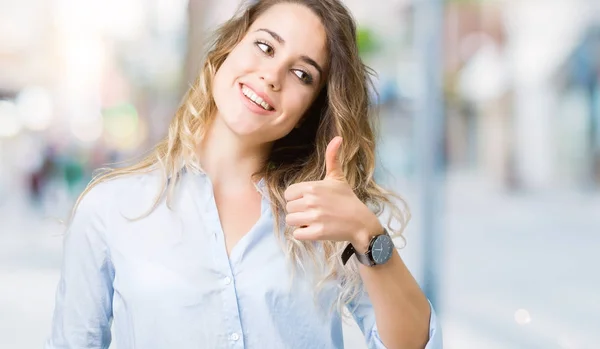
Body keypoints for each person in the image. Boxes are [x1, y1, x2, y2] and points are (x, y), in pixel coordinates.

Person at [45, 0, 443, 348]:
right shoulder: (110, 209)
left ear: (312, 109)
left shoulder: (327, 215)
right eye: (265, 46)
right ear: (227, 48)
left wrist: (367, 235)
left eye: (302, 74)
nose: (272, 76)